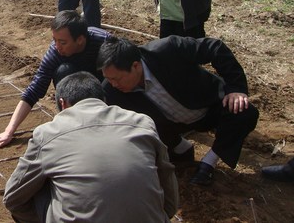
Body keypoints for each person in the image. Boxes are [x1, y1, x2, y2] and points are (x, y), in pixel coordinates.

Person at [3, 72, 179, 223]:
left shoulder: (47, 133)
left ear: (62, 104)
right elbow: (169, 198)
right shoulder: (142, 122)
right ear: (102, 99)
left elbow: (13, 199)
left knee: (39, 186)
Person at [98, 35, 259, 186]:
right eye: (108, 79)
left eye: (116, 79)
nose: (113, 84)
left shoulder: (166, 50)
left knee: (244, 113)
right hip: (171, 125)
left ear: (135, 65)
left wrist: (236, 88)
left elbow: (214, 48)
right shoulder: (111, 90)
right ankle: (181, 147)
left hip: (209, 106)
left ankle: (209, 162)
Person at [0, 10, 109, 148]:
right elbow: (34, 90)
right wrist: (8, 131)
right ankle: (71, 123)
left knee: (113, 75)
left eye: (63, 42)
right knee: (63, 70)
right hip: (77, 85)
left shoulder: (104, 41)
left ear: (80, 40)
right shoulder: (55, 52)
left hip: (101, 85)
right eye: (55, 40)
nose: (57, 46)